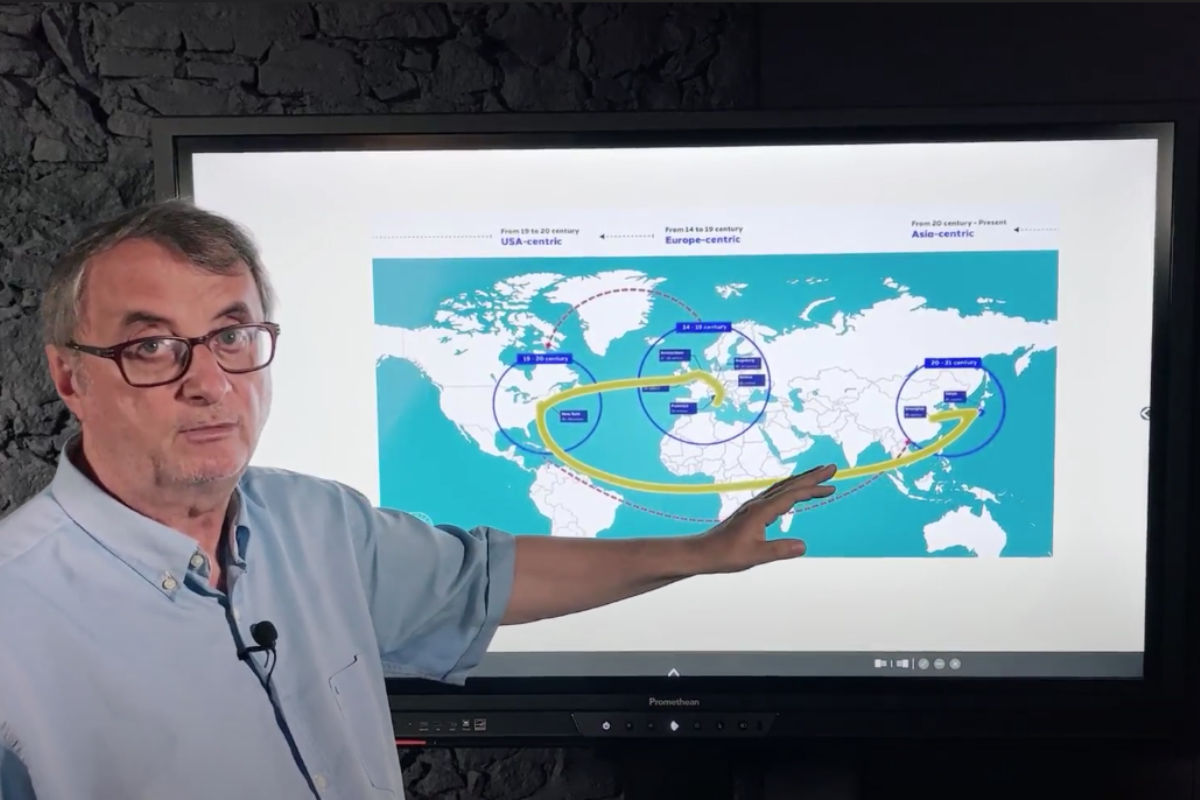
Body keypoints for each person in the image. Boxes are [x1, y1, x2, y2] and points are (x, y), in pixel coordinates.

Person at [0, 200, 836, 799]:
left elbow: (485, 579)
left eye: (232, 336)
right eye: (152, 346)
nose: (211, 383)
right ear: (70, 377)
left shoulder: (315, 522)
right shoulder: (16, 617)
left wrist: (698, 552)